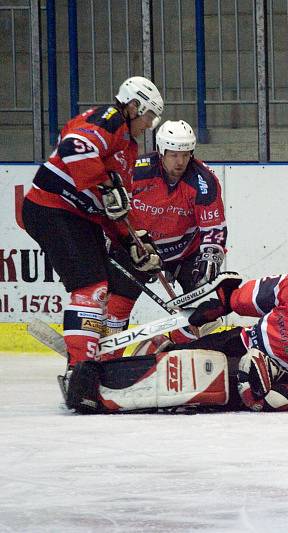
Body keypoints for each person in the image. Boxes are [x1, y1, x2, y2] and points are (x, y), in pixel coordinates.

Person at [64, 272, 288, 414]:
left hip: (265, 375)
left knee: (183, 391)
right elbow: (258, 295)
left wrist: (272, 397)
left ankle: (96, 393)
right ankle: (101, 374)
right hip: (238, 342)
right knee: (174, 362)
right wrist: (224, 302)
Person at [21, 76, 164, 379]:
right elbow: (75, 147)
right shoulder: (109, 118)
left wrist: (135, 244)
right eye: (149, 115)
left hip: (78, 215)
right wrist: (104, 183)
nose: (150, 124)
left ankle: (86, 354)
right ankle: (80, 371)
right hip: (53, 207)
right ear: (134, 106)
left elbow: (117, 207)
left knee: (102, 287)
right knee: (91, 288)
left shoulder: (128, 146)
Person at [108, 119, 228, 350]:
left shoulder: (204, 181)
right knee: (117, 304)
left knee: (208, 308)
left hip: (185, 253)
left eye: (185, 155)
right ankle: (108, 359)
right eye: (173, 155)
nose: (180, 161)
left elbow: (213, 228)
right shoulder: (137, 171)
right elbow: (113, 205)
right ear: (161, 151)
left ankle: (166, 344)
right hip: (140, 248)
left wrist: (212, 255)